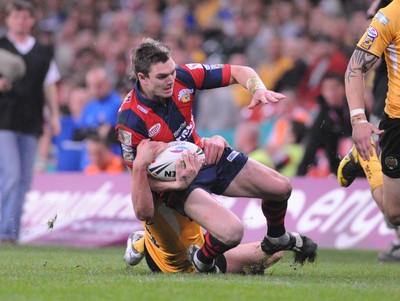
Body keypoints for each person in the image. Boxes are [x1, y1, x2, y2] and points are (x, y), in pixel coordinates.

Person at [116, 38, 317, 273]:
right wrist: (175, 183)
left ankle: (277, 237)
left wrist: (257, 88)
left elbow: (239, 71)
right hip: (180, 184)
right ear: (142, 78)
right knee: (232, 232)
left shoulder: (184, 77)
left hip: (205, 156)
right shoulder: (130, 121)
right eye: (162, 76)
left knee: (281, 187)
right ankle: (200, 259)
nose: (171, 80)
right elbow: (139, 182)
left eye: (171, 71)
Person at [123, 138, 283, 274]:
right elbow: (143, 210)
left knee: (274, 252)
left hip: (165, 251)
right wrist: (175, 184)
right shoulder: (152, 192)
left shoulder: (174, 184)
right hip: (181, 266)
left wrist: (218, 140)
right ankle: (144, 242)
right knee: (271, 253)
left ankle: (142, 242)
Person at [0, 1, 61, 244]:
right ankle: (4, 230)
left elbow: (49, 84)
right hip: (4, 120)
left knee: (23, 181)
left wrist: (54, 115)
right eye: (17, 17)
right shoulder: (2, 47)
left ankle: (11, 233)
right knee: (12, 176)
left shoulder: (43, 52)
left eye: (26, 17)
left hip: (31, 121)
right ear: (8, 20)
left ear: (32, 21)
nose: (22, 22)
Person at [337, 1, 400, 233]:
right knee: (394, 213)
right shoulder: (390, 14)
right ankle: (369, 163)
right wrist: (359, 120)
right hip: (397, 122)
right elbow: (354, 68)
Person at [297, 72, 352, 176]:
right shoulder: (322, 116)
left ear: (343, 88)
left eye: (334, 88)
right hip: (335, 169)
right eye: (326, 89)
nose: (331, 93)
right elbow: (311, 147)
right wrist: (300, 175)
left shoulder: (355, 108)